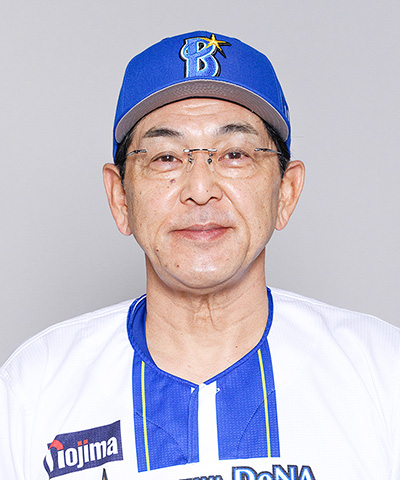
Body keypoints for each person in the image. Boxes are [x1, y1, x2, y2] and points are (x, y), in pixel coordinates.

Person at [1, 31, 399, 480]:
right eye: (166, 158)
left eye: (235, 154)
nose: (200, 189)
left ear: (286, 192)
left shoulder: (382, 372)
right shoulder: (34, 390)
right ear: (120, 198)